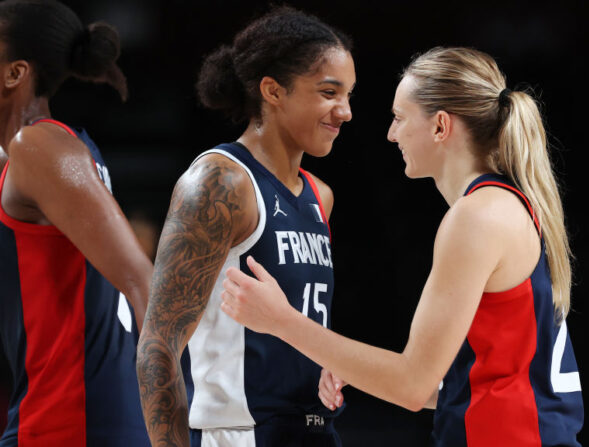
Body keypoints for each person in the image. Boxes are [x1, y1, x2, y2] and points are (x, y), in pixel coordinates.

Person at [221, 47, 584, 446]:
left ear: (440, 126)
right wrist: (352, 367)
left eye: (399, 118)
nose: (391, 134)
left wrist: (281, 320)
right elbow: (463, 385)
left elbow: (412, 385)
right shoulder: (504, 205)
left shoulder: (477, 217)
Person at [135, 7, 354, 447]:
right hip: (238, 433)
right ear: (273, 90)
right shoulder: (221, 182)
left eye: (349, 95)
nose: (345, 111)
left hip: (316, 431)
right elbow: (158, 347)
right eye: (329, 92)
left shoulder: (319, 194)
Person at [0, 0, 152, 445]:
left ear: (15, 73)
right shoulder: (37, 155)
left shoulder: (39, 146)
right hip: (62, 414)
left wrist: (173, 426)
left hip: (77, 421)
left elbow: (143, 280)